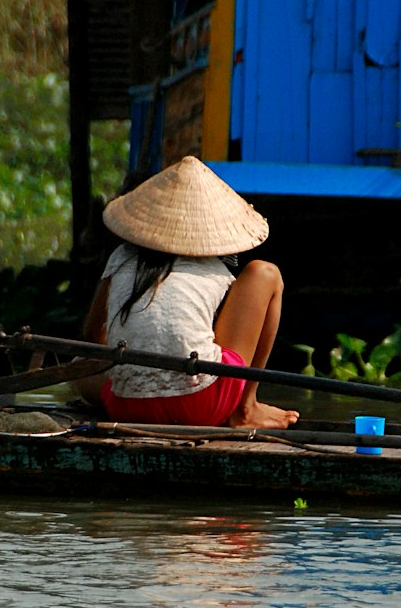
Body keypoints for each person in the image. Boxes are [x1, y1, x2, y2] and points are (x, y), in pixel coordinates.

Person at [77, 156, 299, 429]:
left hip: (126, 407)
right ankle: (245, 407)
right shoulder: (213, 266)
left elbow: (93, 336)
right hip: (202, 406)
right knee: (265, 273)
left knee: (81, 366)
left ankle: (148, 394)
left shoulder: (121, 256)